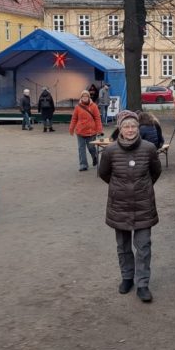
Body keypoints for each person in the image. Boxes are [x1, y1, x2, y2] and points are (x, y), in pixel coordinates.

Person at [99, 110, 162, 303]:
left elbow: (155, 172)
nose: (130, 129)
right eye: (126, 126)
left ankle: (142, 283)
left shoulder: (149, 148)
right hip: (120, 206)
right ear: (120, 128)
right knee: (123, 246)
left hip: (143, 205)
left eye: (133, 126)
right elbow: (104, 174)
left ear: (138, 127)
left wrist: (142, 188)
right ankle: (127, 277)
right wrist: (120, 189)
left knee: (143, 246)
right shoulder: (110, 151)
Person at [69, 90, 103, 171]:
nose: (85, 98)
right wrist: (71, 128)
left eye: (86, 96)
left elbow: (97, 118)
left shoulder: (94, 106)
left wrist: (99, 130)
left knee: (91, 147)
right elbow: (74, 119)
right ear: (81, 98)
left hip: (91, 132)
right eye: (83, 96)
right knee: (81, 148)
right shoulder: (77, 107)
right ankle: (83, 164)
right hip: (80, 131)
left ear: (88, 97)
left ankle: (94, 156)